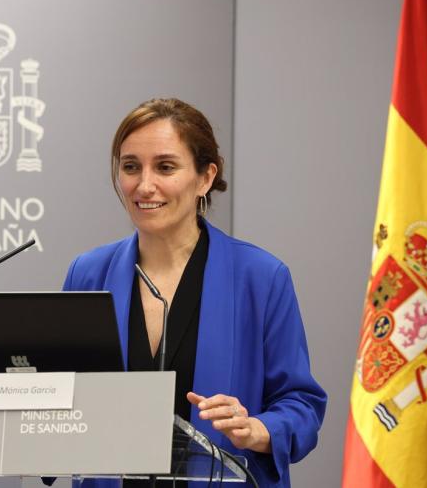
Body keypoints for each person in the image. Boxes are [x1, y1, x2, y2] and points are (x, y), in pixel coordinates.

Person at [62, 98, 326, 487]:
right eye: (131, 167)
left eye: (165, 167)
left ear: (205, 177)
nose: (144, 185)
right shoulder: (88, 274)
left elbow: (301, 405)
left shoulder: (261, 277)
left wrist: (258, 429)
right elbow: (61, 399)